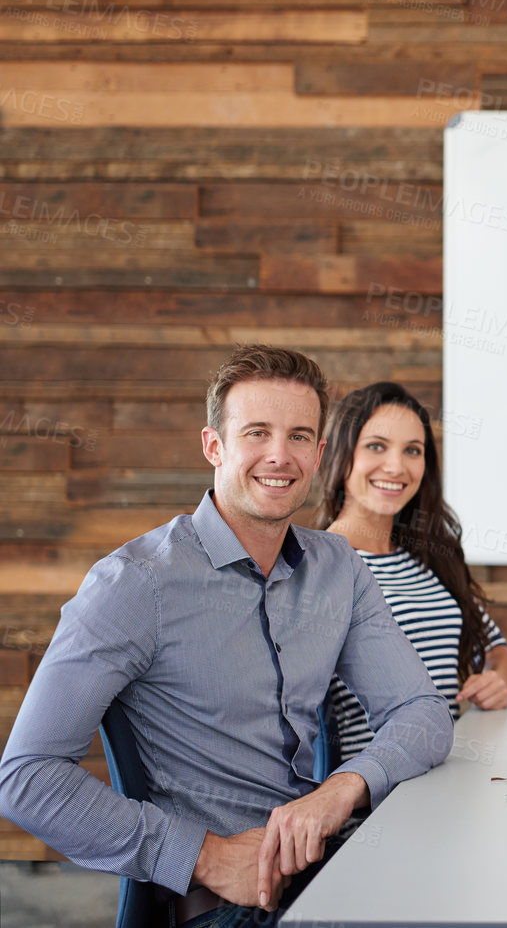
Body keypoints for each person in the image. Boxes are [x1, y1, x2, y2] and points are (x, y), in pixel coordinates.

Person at [0, 345, 451, 927]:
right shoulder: (136, 584)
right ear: (214, 446)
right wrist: (205, 856)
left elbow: (422, 710)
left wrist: (342, 788)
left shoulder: (338, 567)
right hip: (222, 906)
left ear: (318, 456)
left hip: (327, 873)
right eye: (257, 433)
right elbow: (27, 777)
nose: (278, 456)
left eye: (298, 437)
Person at [315, 382, 507, 762]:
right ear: (341, 456)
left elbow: (497, 649)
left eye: (413, 450)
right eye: (376, 446)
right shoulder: (321, 566)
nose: (396, 466)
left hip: (449, 777)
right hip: (379, 797)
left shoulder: (429, 558)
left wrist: (499, 679)